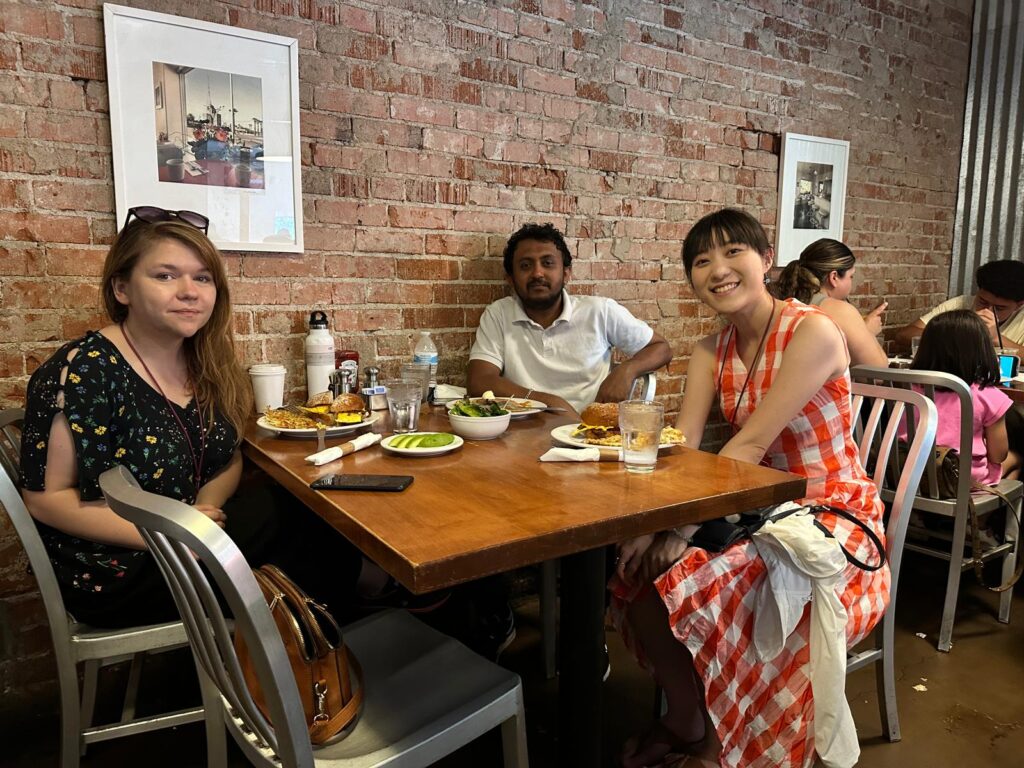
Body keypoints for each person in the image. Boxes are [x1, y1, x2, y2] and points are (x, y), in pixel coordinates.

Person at [611, 209, 889, 768]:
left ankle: (723, 749)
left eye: (733, 252)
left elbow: (748, 446)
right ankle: (686, 716)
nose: (718, 269)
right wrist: (649, 528)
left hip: (833, 519)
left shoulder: (811, 330)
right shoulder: (710, 350)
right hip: (755, 509)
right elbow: (685, 454)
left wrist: (680, 529)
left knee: (707, 581)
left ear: (766, 260)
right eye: (701, 261)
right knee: (634, 574)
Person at [19, 207, 363, 628]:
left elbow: (227, 454)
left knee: (314, 515)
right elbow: (45, 500)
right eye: (165, 276)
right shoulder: (82, 370)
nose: (189, 291)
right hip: (118, 568)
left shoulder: (202, 361)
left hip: (191, 535)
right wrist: (180, 531)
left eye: (202, 277)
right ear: (122, 288)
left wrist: (205, 510)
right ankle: (330, 653)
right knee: (312, 532)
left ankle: (325, 645)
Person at [467, 223, 673, 414]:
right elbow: (479, 380)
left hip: (589, 433)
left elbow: (661, 348)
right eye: (525, 266)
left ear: (566, 273)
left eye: (547, 263)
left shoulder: (599, 311)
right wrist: (546, 402)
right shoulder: (499, 314)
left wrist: (628, 370)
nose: (537, 273)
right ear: (510, 278)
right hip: (521, 433)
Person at [906, 309, 1016, 484]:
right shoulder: (989, 396)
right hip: (961, 479)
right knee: (1016, 460)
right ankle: (982, 510)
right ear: (982, 349)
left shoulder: (908, 389)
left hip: (906, 472)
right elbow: (998, 455)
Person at [774, 238, 889, 367]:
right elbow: (878, 371)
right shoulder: (840, 310)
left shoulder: (781, 301)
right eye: (851, 276)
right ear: (834, 277)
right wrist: (869, 332)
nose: (852, 282)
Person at [895, 259, 1024, 353]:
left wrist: (996, 338)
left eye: (999, 308)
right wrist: (956, 337)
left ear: (1019, 305)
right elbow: (904, 335)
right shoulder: (960, 304)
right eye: (983, 301)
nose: (987, 311)